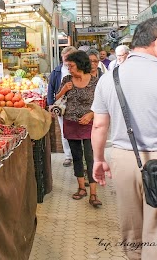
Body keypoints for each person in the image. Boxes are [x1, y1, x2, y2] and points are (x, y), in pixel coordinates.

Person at [91, 18, 157, 259]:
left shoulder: (109, 78)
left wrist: (98, 160)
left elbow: (99, 124)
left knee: (131, 229)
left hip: (122, 159)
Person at [56, 50, 101, 207]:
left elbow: (103, 103)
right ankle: (81, 188)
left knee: (90, 157)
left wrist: (91, 114)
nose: (69, 69)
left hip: (89, 124)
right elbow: (57, 97)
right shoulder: (67, 79)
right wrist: (64, 90)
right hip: (70, 122)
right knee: (76, 156)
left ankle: (93, 193)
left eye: (72, 66)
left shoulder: (95, 82)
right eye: (68, 66)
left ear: (81, 65)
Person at [47, 45, 77, 167]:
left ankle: (78, 155)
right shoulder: (56, 72)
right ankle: (68, 156)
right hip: (62, 105)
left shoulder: (79, 69)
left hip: (77, 104)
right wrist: (50, 104)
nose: (65, 60)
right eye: (63, 57)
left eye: (67, 57)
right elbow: (51, 89)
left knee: (77, 130)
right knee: (65, 131)